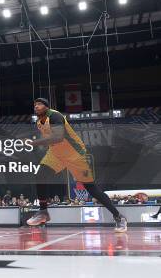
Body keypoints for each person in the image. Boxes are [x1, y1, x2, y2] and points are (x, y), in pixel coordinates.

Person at [25, 98, 127, 232]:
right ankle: (43, 211)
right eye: (34, 105)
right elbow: (51, 141)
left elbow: (58, 137)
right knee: (40, 175)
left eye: (39, 104)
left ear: (46, 107)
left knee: (92, 189)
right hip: (56, 154)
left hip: (75, 154)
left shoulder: (55, 116)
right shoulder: (39, 122)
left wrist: (34, 143)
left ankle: (119, 216)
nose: (36, 106)